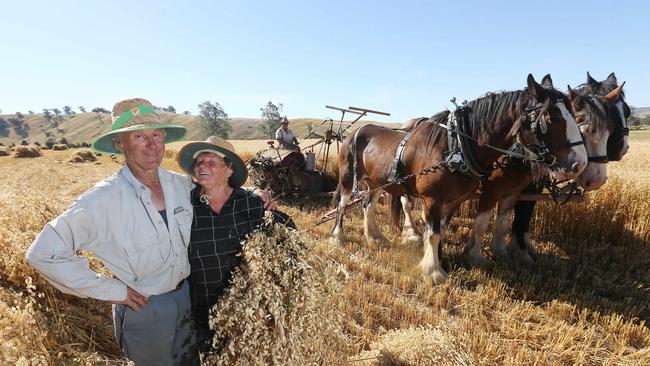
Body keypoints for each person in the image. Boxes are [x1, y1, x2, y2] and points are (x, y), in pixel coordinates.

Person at [176, 136, 294, 356]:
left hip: (244, 306)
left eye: (211, 162)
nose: (202, 166)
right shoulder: (183, 203)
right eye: (199, 162)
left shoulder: (249, 202)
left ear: (229, 170)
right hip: (199, 307)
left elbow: (288, 235)